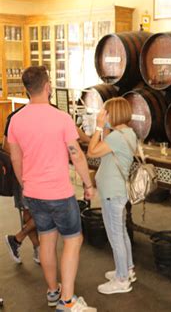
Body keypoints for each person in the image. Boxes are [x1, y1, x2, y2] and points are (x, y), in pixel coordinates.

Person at [8, 66, 96, 312]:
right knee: (73, 240)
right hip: (59, 194)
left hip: (34, 193)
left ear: (27, 90)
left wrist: (26, 184)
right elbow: (76, 154)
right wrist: (88, 184)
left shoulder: (16, 119)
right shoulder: (61, 118)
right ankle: (67, 302)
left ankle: (52, 292)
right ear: (47, 87)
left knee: (46, 239)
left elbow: (15, 159)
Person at [87, 97, 137, 295]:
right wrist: (105, 128)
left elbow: (92, 151)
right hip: (116, 191)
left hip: (113, 193)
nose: (102, 114)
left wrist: (98, 127)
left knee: (115, 235)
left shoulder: (117, 137)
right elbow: (103, 146)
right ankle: (127, 269)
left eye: (105, 112)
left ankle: (122, 280)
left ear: (112, 114)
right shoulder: (126, 132)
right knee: (121, 232)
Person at [3, 105, 40, 265]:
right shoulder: (15, 117)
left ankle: (17, 239)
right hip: (24, 172)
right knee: (32, 211)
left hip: (43, 171)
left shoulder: (53, 111)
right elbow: (6, 146)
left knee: (41, 211)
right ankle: (36, 246)